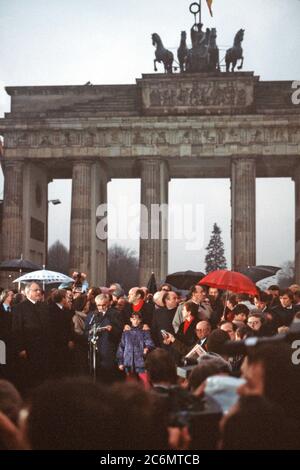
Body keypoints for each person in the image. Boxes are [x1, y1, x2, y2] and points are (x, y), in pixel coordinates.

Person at [12, 282, 52, 392]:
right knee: (29, 378)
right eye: (36, 290)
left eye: (40, 290)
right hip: (28, 348)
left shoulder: (44, 306)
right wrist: (20, 348)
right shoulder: (19, 308)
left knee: (42, 377)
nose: (39, 292)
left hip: (43, 348)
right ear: (28, 292)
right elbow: (16, 330)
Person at [85, 294, 122, 376]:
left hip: (108, 347)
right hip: (94, 349)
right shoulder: (91, 315)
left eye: (103, 305)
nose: (101, 308)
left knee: (107, 375)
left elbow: (120, 331)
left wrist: (112, 330)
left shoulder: (115, 314)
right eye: (98, 305)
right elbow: (86, 331)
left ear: (108, 303)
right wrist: (90, 332)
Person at [117, 312, 155, 379]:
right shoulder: (126, 332)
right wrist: (120, 362)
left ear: (140, 320)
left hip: (141, 362)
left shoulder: (144, 331)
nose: (136, 321)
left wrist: (147, 348)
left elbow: (150, 344)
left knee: (145, 383)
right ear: (130, 319)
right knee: (130, 385)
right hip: (128, 362)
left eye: (137, 319)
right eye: (134, 319)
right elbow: (121, 347)